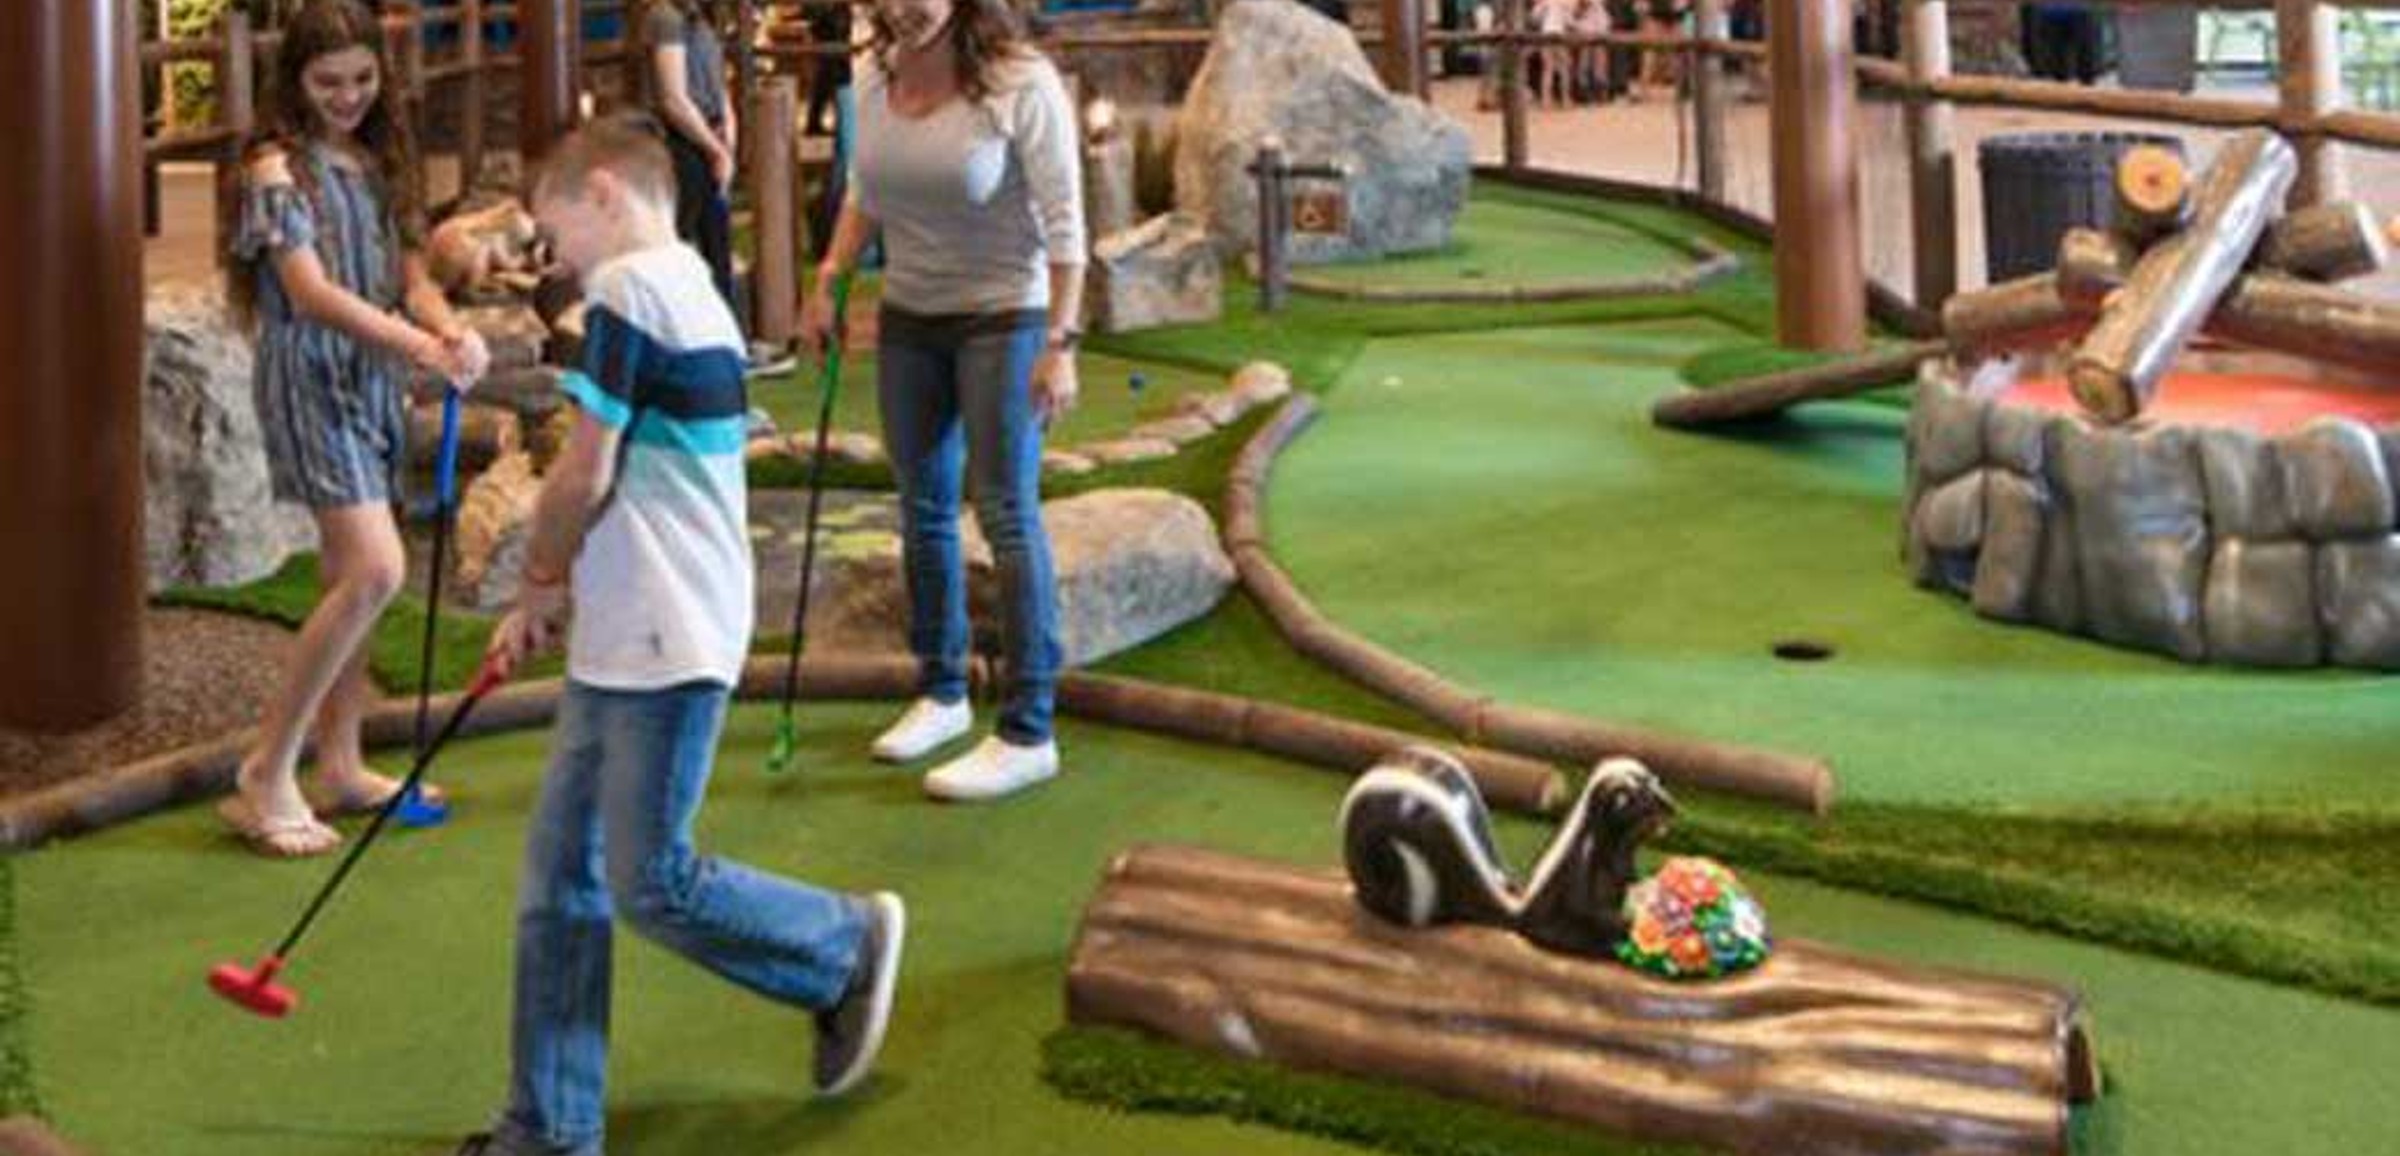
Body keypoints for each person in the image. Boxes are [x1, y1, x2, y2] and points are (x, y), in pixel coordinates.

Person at [454, 114, 907, 1156]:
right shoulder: (696, 280)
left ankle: (843, 946)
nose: (551, 253)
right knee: (561, 879)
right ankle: (550, 1126)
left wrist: (536, 576)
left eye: (553, 225)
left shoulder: (628, 289)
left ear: (604, 190)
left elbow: (586, 469)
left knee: (648, 878)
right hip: (635, 628)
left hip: (665, 632)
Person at [219, 0, 489, 858]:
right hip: (311, 378)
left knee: (352, 572)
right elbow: (308, 291)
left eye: (363, 80)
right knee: (376, 569)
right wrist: (420, 344)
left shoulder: (376, 159)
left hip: (371, 377)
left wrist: (448, 328)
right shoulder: (274, 166)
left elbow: (412, 275)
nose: (347, 97)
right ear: (293, 80)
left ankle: (339, 761)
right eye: (327, 82)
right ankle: (267, 769)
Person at [802, 0, 1084, 803]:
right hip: (911, 316)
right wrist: (829, 281)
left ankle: (1030, 728)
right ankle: (943, 690)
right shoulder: (872, 73)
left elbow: (1067, 227)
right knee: (921, 506)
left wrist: (1060, 344)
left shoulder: (1020, 83)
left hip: (1006, 313)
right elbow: (865, 192)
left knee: (1003, 511)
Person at [642, 0, 740, 317]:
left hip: (710, 136)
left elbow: (719, 85)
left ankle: (728, 333)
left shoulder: (704, 18)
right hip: (683, 143)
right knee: (684, 243)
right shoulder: (665, 17)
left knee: (718, 244)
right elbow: (673, 99)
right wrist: (715, 149)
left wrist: (728, 129)